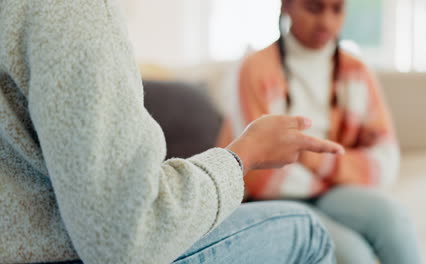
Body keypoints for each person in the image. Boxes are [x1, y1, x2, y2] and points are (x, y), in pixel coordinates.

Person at [0, 1, 347, 264]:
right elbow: (123, 235)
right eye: (316, 6)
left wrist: (330, 175)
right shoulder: (73, 14)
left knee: (380, 217)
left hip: (340, 187)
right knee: (307, 229)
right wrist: (244, 156)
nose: (326, 21)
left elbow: (383, 155)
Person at [218, 0, 422, 263]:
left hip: (330, 191)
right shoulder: (255, 69)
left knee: (393, 218)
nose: (326, 22)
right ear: (286, 6)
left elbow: (385, 161)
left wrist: (312, 158)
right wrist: (347, 165)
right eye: (314, 8)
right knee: (354, 255)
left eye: (337, 9)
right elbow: (258, 173)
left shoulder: (357, 72)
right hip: (271, 197)